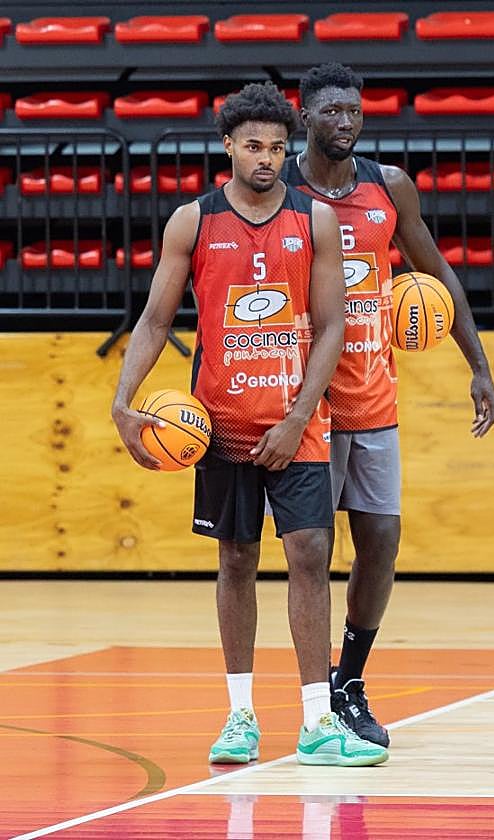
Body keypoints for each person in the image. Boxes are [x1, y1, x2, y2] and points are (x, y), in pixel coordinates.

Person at [110, 82, 388, 767]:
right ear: (228, 146)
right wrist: (124, 399)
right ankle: (239, 716)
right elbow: (154, 320)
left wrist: (299, 416)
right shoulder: (192, 222)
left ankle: (318, 722)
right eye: (254, 146)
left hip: (298, 425)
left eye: (277, 147)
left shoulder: (313, 220)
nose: (267, 158)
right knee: (235, 560)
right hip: (222, 424)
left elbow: (333, 328)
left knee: (308, 558)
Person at [281, 62, 494, 746]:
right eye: (331, 111)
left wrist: (480, 366)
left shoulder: (388, 187)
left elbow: (438, 275)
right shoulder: (279, 187)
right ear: (305, 116)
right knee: (309, 553)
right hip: (303, 404)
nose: (345, 121)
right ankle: (317, 696)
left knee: (380, 544)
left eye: (354, 110)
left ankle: (350, 676)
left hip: (373, 397)